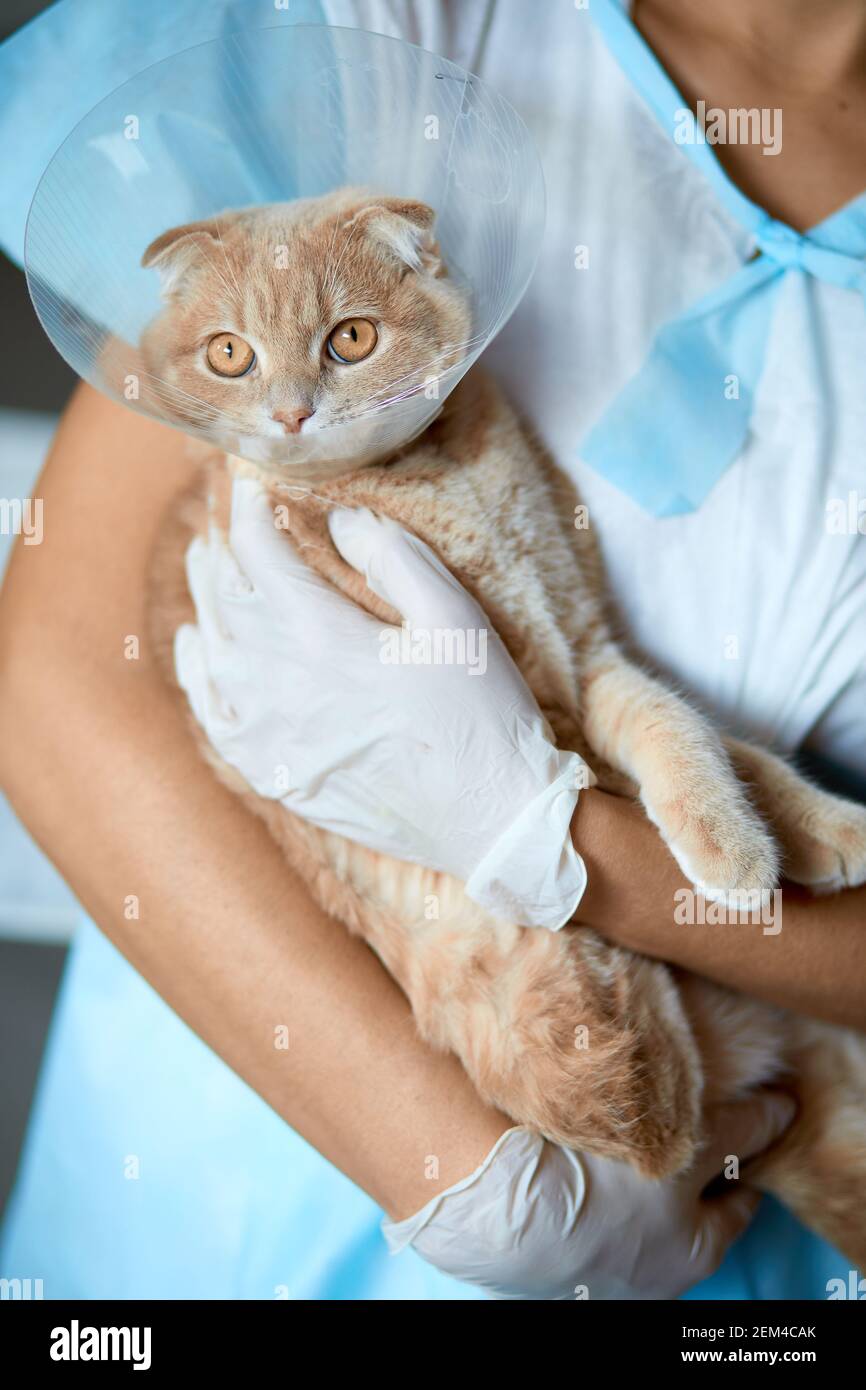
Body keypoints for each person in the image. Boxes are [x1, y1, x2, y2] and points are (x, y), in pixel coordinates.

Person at [1, 0, 864, 1299]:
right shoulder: (410, 29)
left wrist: (554, 844)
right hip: (252, 1130)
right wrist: (461, 1173)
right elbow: (60, 672)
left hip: (716, 1179)